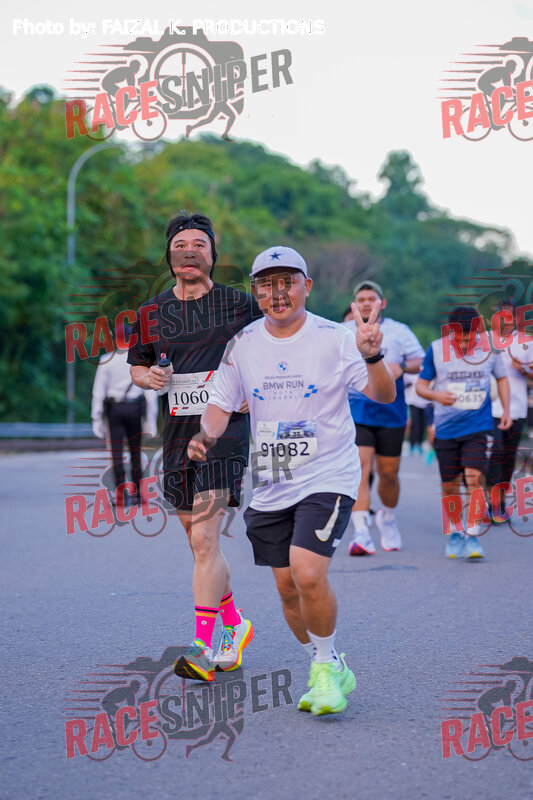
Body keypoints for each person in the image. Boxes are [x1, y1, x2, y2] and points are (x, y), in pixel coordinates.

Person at [187, 246, 396, 714]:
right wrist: (206, 434)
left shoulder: (336, 338)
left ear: (307, 286)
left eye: (287, 282)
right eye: (266, 284)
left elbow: (383, 395)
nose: (277, 293)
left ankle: (322, 670)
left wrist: (373, 356)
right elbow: (221, 403)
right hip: (273, 478)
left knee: (307, 571)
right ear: (256, 291)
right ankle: (329, 662)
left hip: (329, 473)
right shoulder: (243, 344)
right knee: (286, 588)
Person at [128, 212, 262, 680]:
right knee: (198, 544)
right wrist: (149, 377)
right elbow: (137, 366)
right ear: (169, 255)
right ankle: (234, 624)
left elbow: (271, 350)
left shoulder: (240, 305)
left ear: (212, 255)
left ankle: (202, 646)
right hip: (178, 436)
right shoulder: (151, 313)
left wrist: (252, 391)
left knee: (206, 537)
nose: (190, 251)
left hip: (225, 432)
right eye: (180, 244)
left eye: (199, 244)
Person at [416, 306, 511, 559]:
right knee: (450, 486)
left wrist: (506, 410)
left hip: (479, 426)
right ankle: (456, 532)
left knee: (474, 478)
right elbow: (421, 387)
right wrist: (437, 395)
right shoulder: (436, 349)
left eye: (469, 340)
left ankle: (473, 535)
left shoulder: (490, 349)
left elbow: (502, 378)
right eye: (459, 340)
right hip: (446, 428)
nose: (464, 344)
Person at [344, 281, 424, 555]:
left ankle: (387, 518)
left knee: (389, 474)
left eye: (371, 298)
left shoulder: (399, 331)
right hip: (357, 411)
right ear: (355, 305)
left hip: (391, 411)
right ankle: (361, 532)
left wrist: (400, 366)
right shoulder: (343, 331)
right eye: (361, 299)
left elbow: (420, 360)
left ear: (382, 303)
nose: (366, 303)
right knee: (360, 468)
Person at [91, 325, 158, 505]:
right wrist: (151, 420)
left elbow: (98, 392)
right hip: (135, 409)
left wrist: (96, 418)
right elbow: (150, 393)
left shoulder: (106, 360)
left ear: (115, 339)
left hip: (115, 410)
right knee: (136, 452)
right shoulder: (141, 361)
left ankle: (121, 495)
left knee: (116, 453)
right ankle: (138, 493)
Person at [486, 301, 532, 522]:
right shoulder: (483, 340)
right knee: (494, 453)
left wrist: (523, 369)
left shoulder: (526, 342)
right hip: (488, 408)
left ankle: (500, 503)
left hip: (516, 408)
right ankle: (491, 503)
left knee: (508, 457)